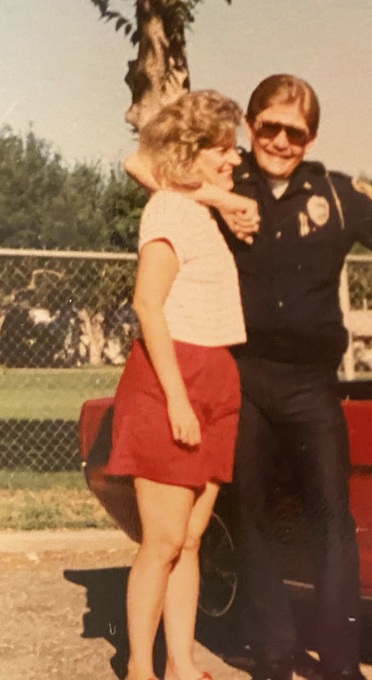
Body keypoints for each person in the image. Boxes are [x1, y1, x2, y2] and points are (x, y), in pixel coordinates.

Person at [128, 74, 372, 680]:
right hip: (242, 376)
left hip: (310, 382)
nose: (280, 140)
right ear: (250, 127)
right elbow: (141, 163)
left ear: (312, 136)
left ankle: (339, 662)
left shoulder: (334, 191)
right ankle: (274, 657)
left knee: (331, 518)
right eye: (268, 127)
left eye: (295, 132)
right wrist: (220, 200)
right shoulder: (224, 176)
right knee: (251, 515)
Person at [107, 90, 247, 680]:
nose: (234, 160)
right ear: (195, 151)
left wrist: (210, 190)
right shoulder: (165, 210)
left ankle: (182, 662)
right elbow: (147, 305)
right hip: (174, 381)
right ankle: (142, 667)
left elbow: (166, 172)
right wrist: (179, 400)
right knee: (162, 541)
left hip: (216, 375)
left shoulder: (197, 209)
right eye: (224, 149)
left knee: (191, 542)